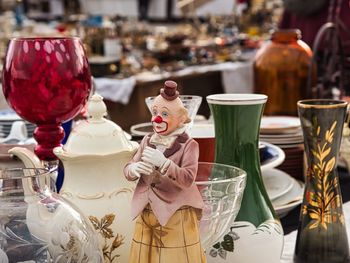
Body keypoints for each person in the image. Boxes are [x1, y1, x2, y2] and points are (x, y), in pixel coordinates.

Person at [124, 80, 206, 263]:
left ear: (181, 119)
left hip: (176, 211)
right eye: (155, 113)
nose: (157, 119)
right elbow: (128, 168)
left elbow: (187, 179)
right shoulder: (147, 140)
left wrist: (164, 164)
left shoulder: (189, 145)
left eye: (164, 114)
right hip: (147, 209)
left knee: (175, 255)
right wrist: (134, 169)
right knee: (145, 256)